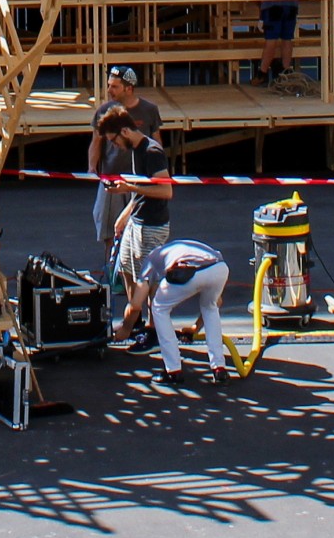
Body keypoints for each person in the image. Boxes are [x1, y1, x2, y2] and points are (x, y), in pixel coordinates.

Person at [95, 107, 172, 334]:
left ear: (125, 131)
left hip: (152, 225)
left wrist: (128, 188)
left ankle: (153, 329)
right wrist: (125, 214)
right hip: (136, 221)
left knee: (147, 282)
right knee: (127, 270)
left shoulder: (151, 152)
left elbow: (166, 191)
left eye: (114, 140)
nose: (114, 146)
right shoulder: (136, 149)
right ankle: (137, 323)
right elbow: (143, 189)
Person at [134, 237, 230, 386]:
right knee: (210, 307)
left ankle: (173, 370)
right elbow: (218, 302)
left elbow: (135, 304)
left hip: (191, 272)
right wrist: (195, 328)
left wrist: (126, 328)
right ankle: (219, 369)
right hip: (219, 268)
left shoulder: (151, 259)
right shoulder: (178, 248)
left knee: (159, 307)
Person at [88, 64, 161, 246]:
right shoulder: (104, 111)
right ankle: (112, 272)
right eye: (109, 85)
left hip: (139, 179)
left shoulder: (149, 110)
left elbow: (157, 142)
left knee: (138, 234)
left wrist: (158, 172)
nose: (110, 90)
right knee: (110, 233)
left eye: (115, 86)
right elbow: (96, 142)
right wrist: (91, 168)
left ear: (129, 88)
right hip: (112, 177)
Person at [256, 0, 299, 82]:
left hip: (272, 5)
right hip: (291, 5)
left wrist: (261, 17)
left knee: (271, 40)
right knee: (287, 39)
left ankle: (262, 73)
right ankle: (285, 72)